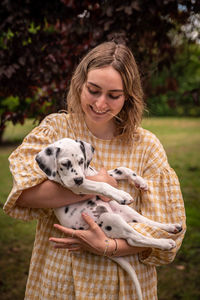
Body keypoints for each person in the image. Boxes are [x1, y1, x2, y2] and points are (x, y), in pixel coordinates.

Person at [4, 41, 186, 300]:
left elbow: (169, 235)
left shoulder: (146, 146)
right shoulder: (55, 130)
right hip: (62, 279)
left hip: (122, 286)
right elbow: (24, 193)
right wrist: (96, 182)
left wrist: (108, 247)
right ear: (80, 84)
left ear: (128, 96)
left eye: (114, 95)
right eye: (93, 90)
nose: (101, 103)